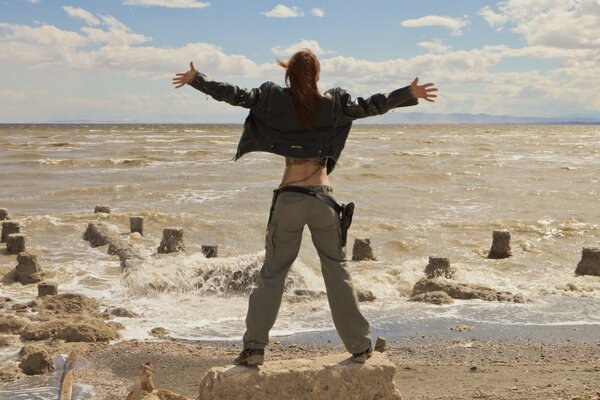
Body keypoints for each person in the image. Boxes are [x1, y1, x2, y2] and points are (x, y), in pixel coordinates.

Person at [172, 49, 437, 366]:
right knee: (337, 273)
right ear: (317, 75)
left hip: (289, 199)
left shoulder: (272, 99)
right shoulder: (335, 105)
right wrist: (409, 93)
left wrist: (197, 80)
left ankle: (254, 348)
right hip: (323, 200)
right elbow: (373, 105)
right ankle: (360, 346)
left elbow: (235, 95)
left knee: (272, 274)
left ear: (288, 74)